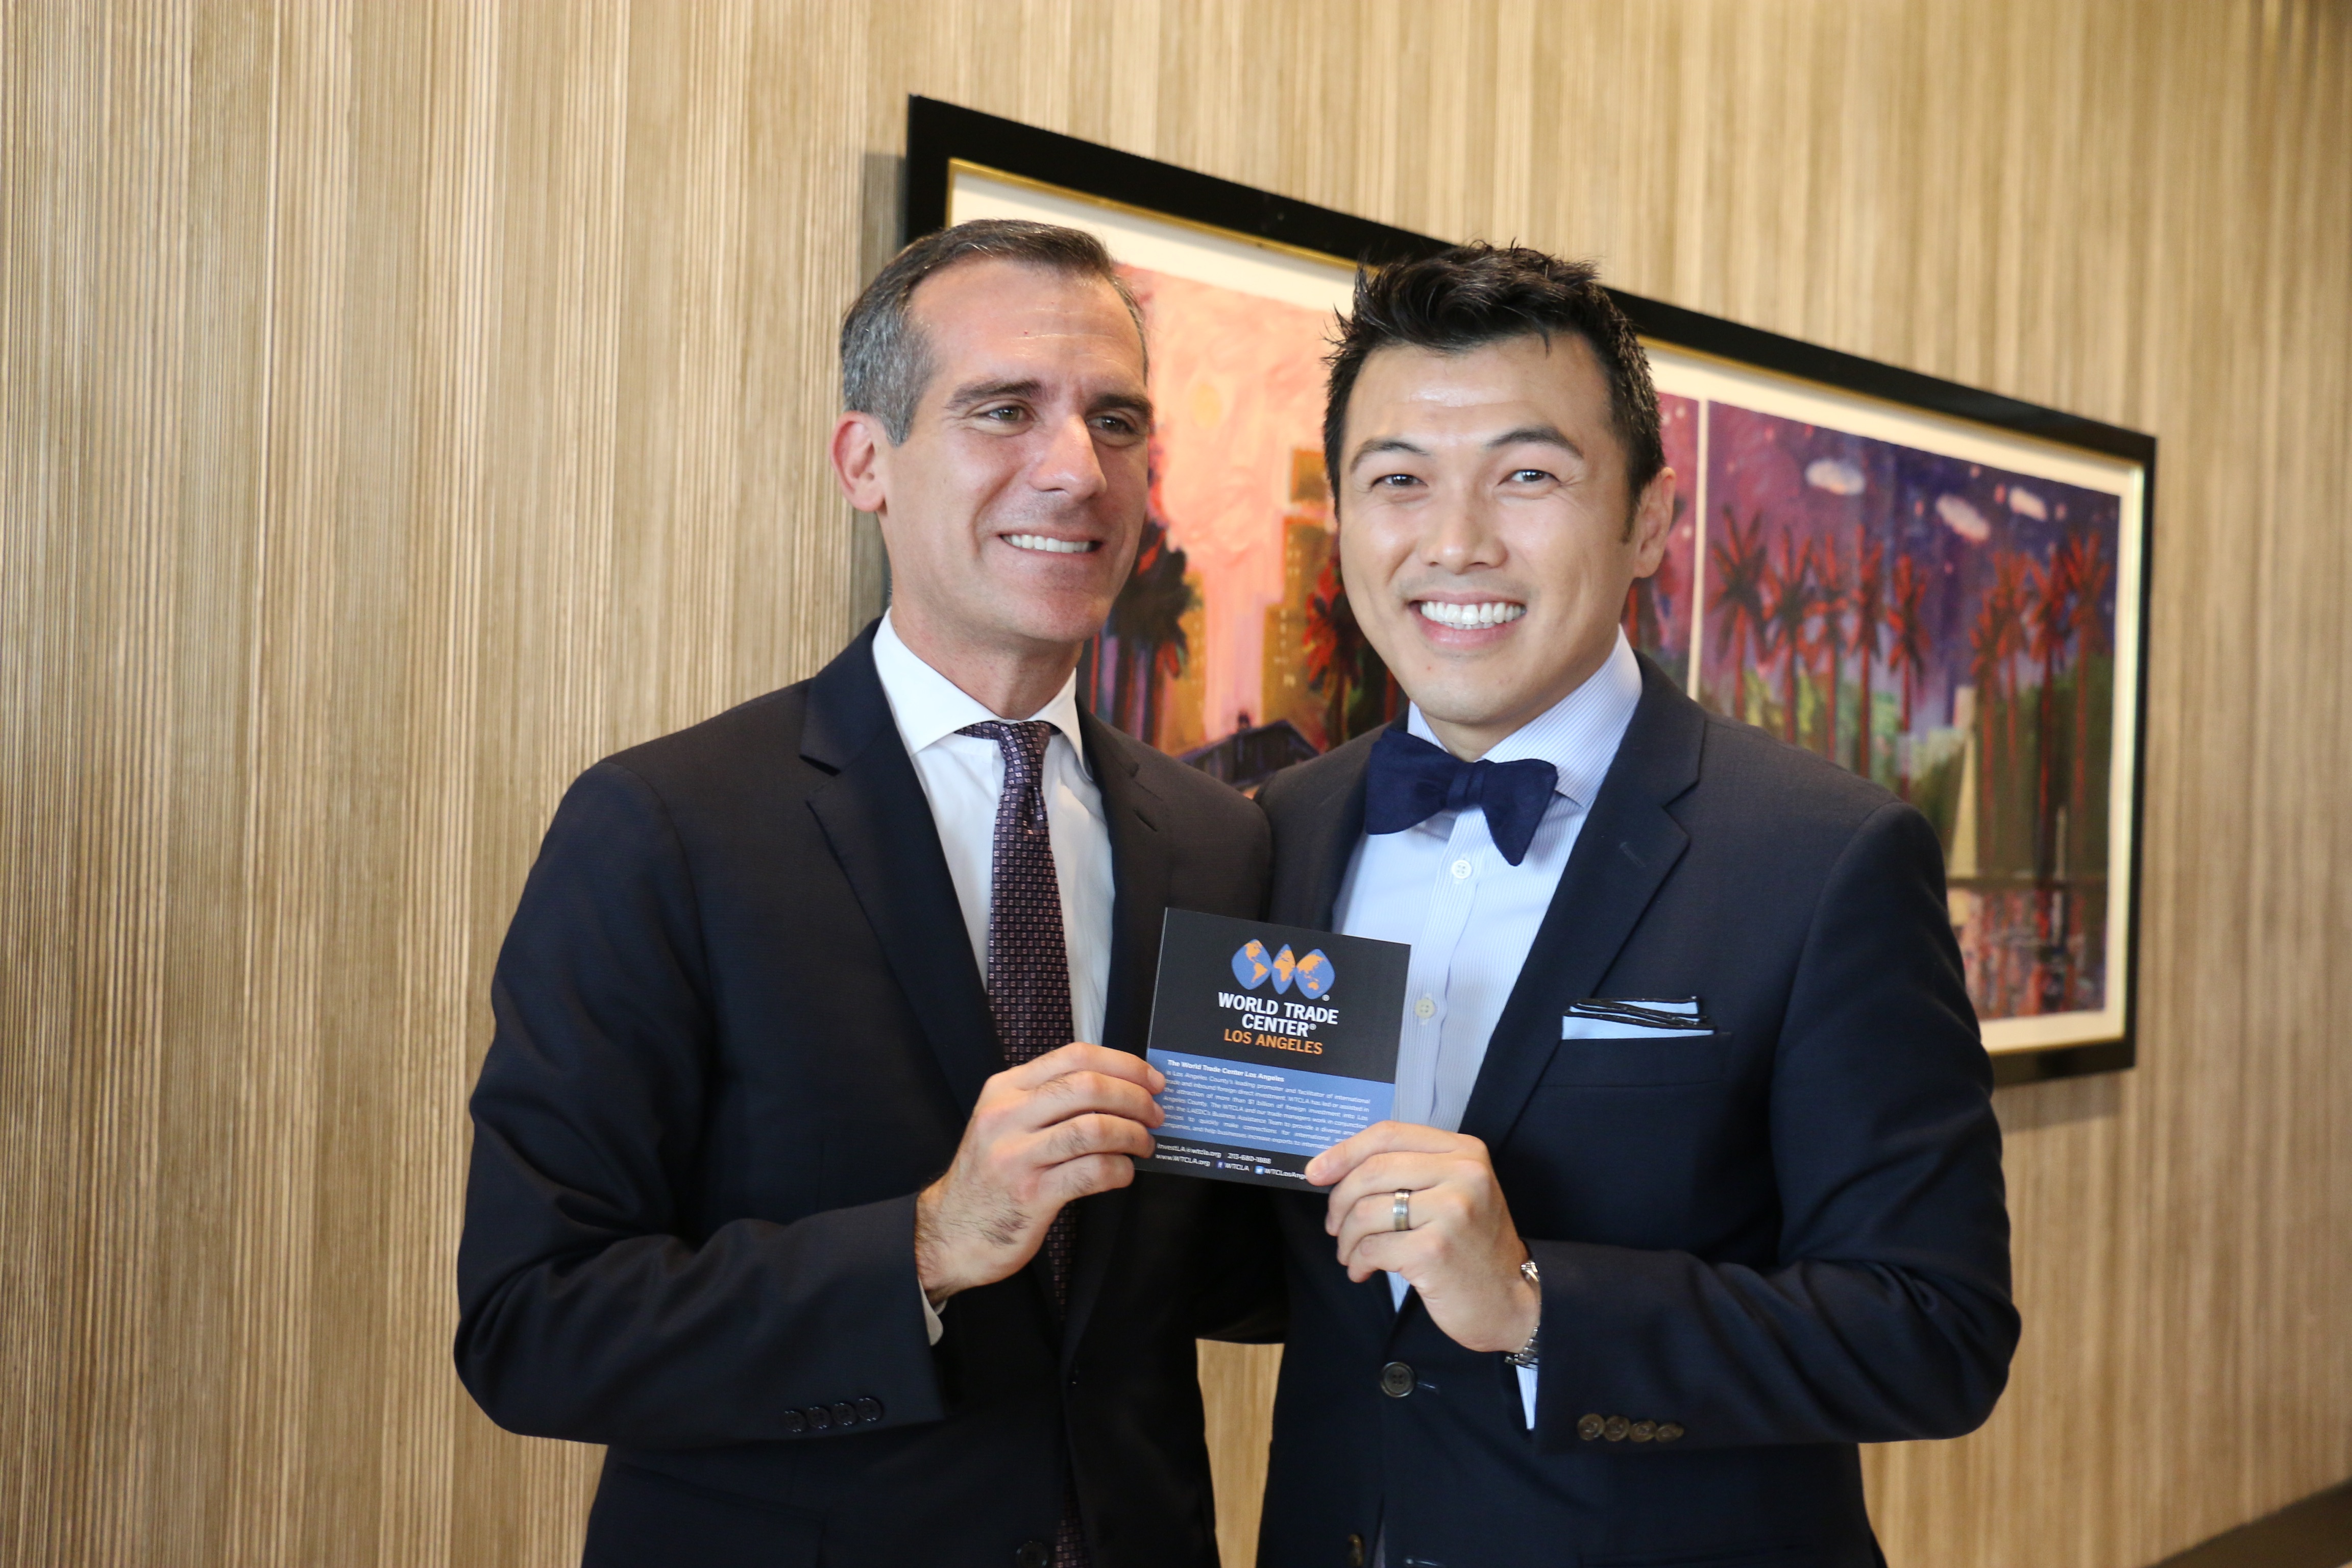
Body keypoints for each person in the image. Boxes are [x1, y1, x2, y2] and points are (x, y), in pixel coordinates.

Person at [455, 219, 1279, 1568]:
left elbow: (1213, 1272)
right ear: (865, 463)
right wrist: (928, 1244)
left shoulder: (1216, 842)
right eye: (1003, 410)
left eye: (1117, 420)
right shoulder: (667, 826)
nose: (1076, 469)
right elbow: (532, 1326)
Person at [1253, 244, 2018, 1568]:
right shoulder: (1279, 828)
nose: (1455, 541)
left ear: (1651, 520)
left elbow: (1934, 1334)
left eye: (1528, 476)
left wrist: (1539, 1305)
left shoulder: (1825, 857)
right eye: (1399, 480)